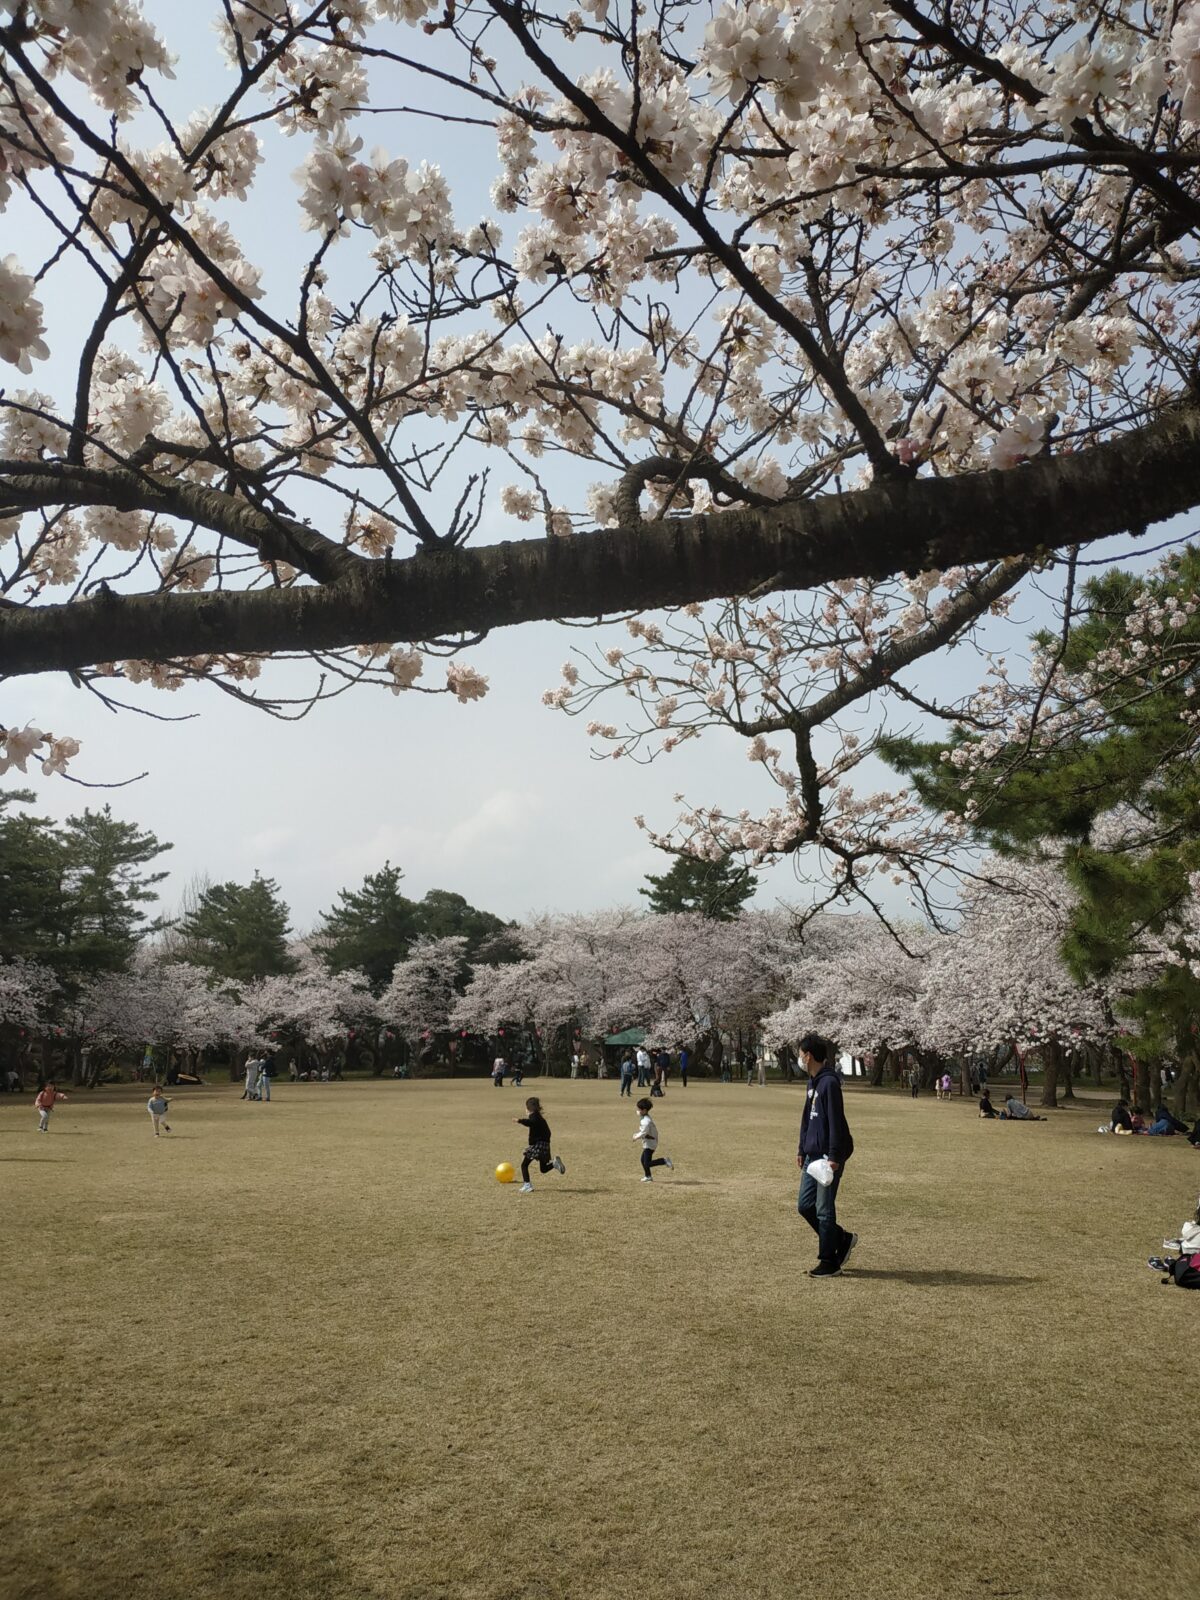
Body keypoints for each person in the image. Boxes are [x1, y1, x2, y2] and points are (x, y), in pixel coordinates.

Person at [796, 1033, 857, 1278]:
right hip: (811, 1155)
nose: (799, 1059)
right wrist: (801, 1148)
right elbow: (806, 1120)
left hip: (828, 1156)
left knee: (824, 1208)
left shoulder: (829, 1083)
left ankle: (829, 1261)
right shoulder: (812, 1083)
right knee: (805, 1205)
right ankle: (841, 1238)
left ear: (808, 1056)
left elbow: (835, 1121)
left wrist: (834, 1157)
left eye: (800, 1054)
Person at [514, 1096, 566, 1193]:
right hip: (545, 1145)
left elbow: (531, 1123)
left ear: (529, 1108)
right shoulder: (539, 1118)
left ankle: (527, 1185)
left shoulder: (534, 1117)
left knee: (524, 1165)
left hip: (538, 1145)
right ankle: (554, 1163)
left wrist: (519, 1121)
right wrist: (546, 1142)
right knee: (543, 1169)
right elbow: (548, 1132)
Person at [632, 1097, 673, 1182]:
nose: (638, 1111)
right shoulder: (645, 1116)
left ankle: (664, 1161)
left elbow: (643, 1132)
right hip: (649, 1141)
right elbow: (643, 1129)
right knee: (643, 1160)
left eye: (639, 1109)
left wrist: (636, 1137)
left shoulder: (646, 1121)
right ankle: (648, 1176)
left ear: (644, 1110)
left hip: (650, 1143)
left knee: (646, 1162)